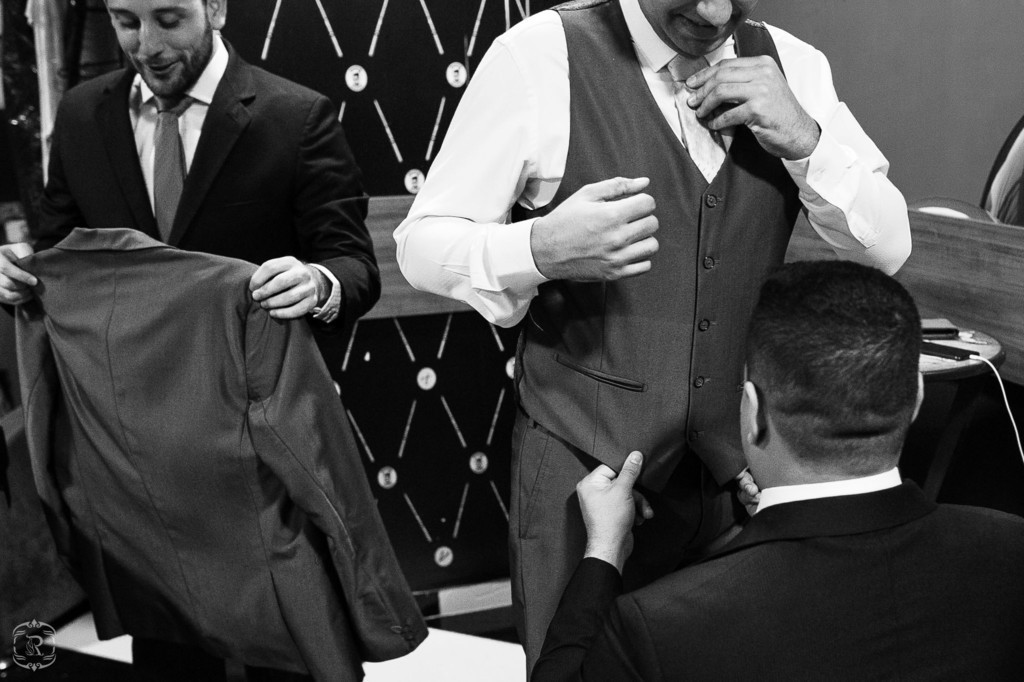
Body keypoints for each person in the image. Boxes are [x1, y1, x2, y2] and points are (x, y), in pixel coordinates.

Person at [394, 0, 912, 668]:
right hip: (582, 473)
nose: (715, 11)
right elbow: (420, 246)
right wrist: (538, 248)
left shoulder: (796, 67)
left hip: (738, 487)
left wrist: (807, 140)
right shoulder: (538, 56)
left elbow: (887, 248)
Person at [532, 260, 1024, 680]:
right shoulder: (1011, 552)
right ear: (915, 397)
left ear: (752, 413)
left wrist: (603, 554)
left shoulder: (660, 627)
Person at [15, 228, 427, 682]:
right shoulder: (45, 282)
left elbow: (40, 420)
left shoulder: (51, 290)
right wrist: (382, 604)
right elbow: (318, 465)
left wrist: (321, 282)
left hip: (137, 526)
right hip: (236, 548)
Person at [0, 0, 378, 378]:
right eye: (127, 23)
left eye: (169, 21)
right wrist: (19, 276)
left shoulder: (296, 117)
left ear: (215, 9)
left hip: (250, 390)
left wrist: (316, 284)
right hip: (122, 390)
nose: (148, 46)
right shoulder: (80, 114)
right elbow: (57, 255)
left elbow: (353, 265)